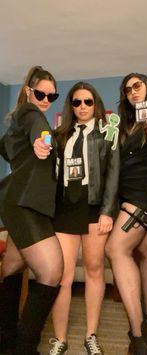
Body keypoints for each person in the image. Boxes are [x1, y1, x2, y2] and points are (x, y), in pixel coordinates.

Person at [41, 82, 119, 355]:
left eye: (88, 102)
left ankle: (91, 335)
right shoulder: (59, 135)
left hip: (94, 206)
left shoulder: (108, 133)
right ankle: (60, 339)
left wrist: (107, 211)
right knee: (62, 275)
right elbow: (46, 168)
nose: (83, 107)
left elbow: (113, 174)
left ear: (95, 104)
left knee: (94, 269)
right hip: (65, 207)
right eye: (77, 102)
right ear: (70, 106)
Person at [106, 73, 147, 355]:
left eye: (137, 86)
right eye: (127, 89)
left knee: (115, 249)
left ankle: (138, 334)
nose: (133, 92)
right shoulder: (122, 124)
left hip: (146, 193)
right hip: (129, 194)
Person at [0, 66, 64, 355]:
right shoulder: (30, 114)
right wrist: (43, 142)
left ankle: (6, 337)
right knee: (51, 270)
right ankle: (25, 347)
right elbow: (42, 134)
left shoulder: (15, 122)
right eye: (41, 93)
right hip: (24, 202)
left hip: (22, 201)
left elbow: (8, 148)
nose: (46, 100)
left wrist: (34, 148)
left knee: (12, 265)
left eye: (52, 96)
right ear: (29, 91)